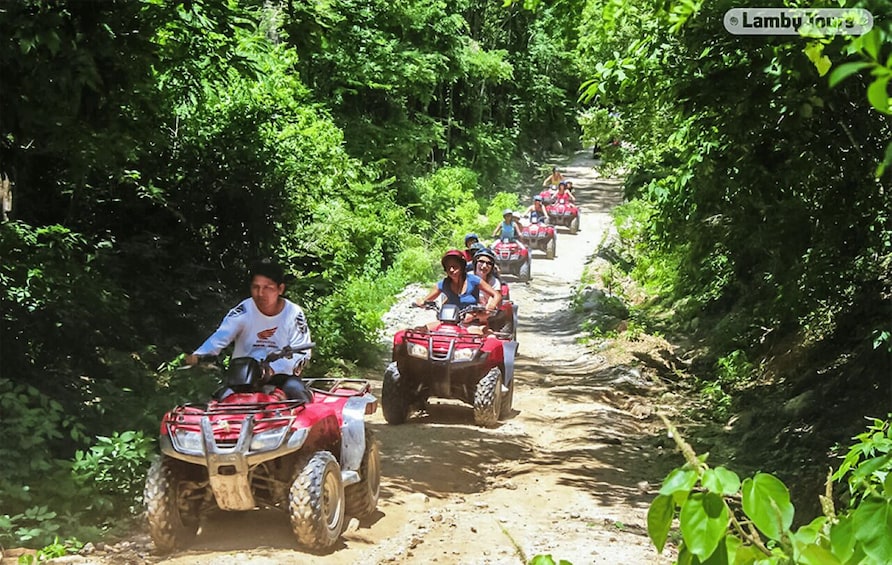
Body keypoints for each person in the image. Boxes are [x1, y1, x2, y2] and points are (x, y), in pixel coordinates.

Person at [184, 259, 313, 402]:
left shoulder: (293, 313)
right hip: (243, 379)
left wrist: (272, 370)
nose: (260, 293)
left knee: (298, 393)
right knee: (220, 401)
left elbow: (302, 353)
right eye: (255, 287)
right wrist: (198, 355)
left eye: (268, 288)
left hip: (281, 378)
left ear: (280, 289)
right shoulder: (243, 312)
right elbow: (220, 337)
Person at [416, 250, 501, 314]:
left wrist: (492, 305)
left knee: (477, 335)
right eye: (448, 267)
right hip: (449, 320)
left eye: (455, 266)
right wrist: (421, 301)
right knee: (420, 331)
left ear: (462, 267)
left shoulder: (473, 280)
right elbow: (426, 299)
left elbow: (496, 294)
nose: (451, 270)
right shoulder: (443, 284)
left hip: (471, 320)